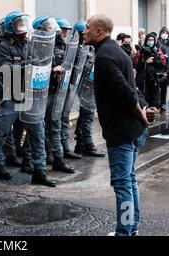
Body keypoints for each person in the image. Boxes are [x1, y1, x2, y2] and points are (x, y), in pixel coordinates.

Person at [84, 14, 156, 236]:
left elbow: (126, 91)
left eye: (87, 28)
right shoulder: (117, 51)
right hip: (131, 128)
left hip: (122, 131)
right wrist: (143, 109)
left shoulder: (105, 56)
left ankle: (124, 232)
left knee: (122, 184)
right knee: (129, 181)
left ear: (99, 31)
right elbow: (133, 88)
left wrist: (141, 113)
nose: (84, 31)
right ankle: (131, 229)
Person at [0, 11, 56, 188]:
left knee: (37, 134)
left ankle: (39, 171)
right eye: (19, 23)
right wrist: (28, 65)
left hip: (31, 96)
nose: (23, 27)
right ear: (11, 26)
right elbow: (5, 68)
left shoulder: (30, 43)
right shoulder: (3, 46)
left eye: (24, 23)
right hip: (11, 96)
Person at [45, 17, 81, 175]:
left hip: (58, 90)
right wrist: (53, 70)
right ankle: (44, 156)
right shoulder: (43, 45)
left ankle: (57, 157)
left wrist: (63, 73)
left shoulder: (64, 46)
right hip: (43, 92)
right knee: (43, 127)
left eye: (65, 30)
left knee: (55, 124)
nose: (64, 33)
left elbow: (68, 65)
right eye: (62, 29)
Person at [73, 21, 105, 158]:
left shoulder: (90, 48)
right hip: (83, 87)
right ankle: (87, 144)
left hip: (90, 86)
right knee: (87, 116)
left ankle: (81, 144)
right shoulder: (77, 49)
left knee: (86, 116)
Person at [134, 33, 166, 108]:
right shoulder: (140, 51)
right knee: (144, 99)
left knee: (154, 100)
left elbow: (163, 63)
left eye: (152, 40)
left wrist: (153, 61)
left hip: (154, 79)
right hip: (143, 79)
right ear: (146, 40)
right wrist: (144, 60)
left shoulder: (158, 50)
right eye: (149, 40)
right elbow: (136, 65)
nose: (151, 41)